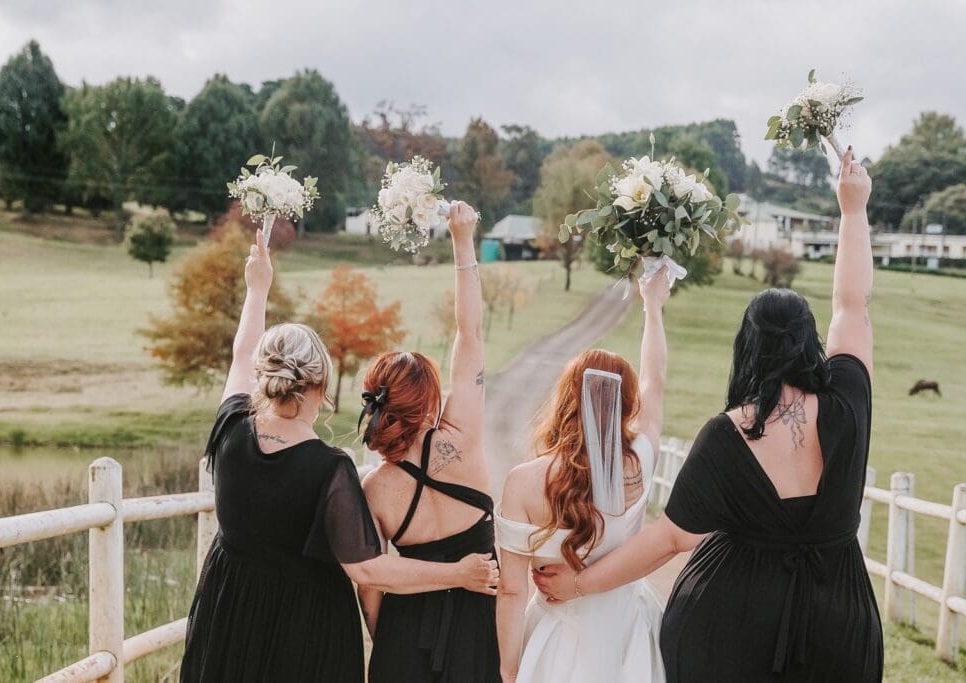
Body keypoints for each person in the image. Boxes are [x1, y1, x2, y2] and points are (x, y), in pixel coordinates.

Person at [533, 147, 881, 682]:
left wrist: (579, 585)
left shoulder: (726, 435)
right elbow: (851, 305)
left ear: (746, 347)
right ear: (810, 342)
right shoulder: (848, 399)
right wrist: (853, 210)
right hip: (841, 618)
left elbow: (667, 540)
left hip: (733, 625)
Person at [180, 230, 499, 682]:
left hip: (229, 612)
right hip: (304, 630)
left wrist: (257, 289)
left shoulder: (231, 428)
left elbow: (240, 356)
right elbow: (365, 567)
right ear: (321, 385)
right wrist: (460, 574)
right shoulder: (330, 469)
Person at [495, 268, 671, 683]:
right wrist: (653, 306)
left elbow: (512, 591)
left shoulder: (523, 481)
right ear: (629, 404)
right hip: (629, 632)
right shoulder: (641, 459)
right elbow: (656, 380)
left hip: (558, 637)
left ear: (565, 399)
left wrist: (509, 669)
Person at [359, 201, 500, 682]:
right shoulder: (463, 435)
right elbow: (470, 331)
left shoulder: (373, 489)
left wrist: (388, 639)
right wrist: (462, 240)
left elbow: (371, 586)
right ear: (430, 397)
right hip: (478, 631)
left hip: (403, 634)